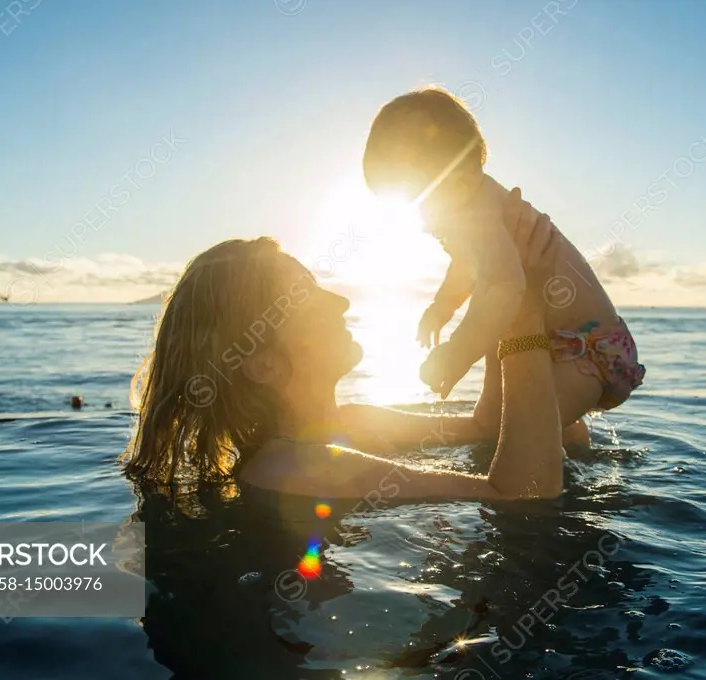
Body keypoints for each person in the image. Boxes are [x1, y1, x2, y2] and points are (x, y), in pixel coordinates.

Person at [122, 191, 580, 500]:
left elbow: (485, 428)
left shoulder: (353, 424)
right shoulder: (294, 467)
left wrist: (498, 291)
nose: (340, 300)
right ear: (262, 363)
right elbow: (524, 494)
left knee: (572, 431)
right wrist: (525, 311)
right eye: (304, 295)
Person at [361, 86, 646, 428]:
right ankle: (573, 445)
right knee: (503, 427)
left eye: (419, 202)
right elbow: (468, 266)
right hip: (562, 348)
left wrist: (457, 354)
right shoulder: (472, 208)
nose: (420, 221)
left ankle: (557, 459)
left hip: (589, 353)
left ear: (460, 181)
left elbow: (503, 286)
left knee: (524, 434)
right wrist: (442, 306)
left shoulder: (478, 214)